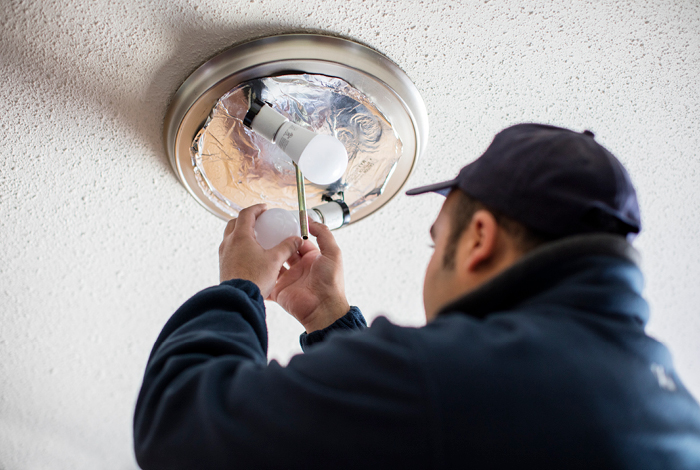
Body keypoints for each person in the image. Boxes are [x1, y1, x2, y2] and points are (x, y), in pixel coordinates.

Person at [133, 124, 700, 469]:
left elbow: (181, 427)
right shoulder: (674, 411)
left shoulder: (460, 375)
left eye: (437, 242)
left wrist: (239, 288)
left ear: (479, 239)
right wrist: (329, 318)